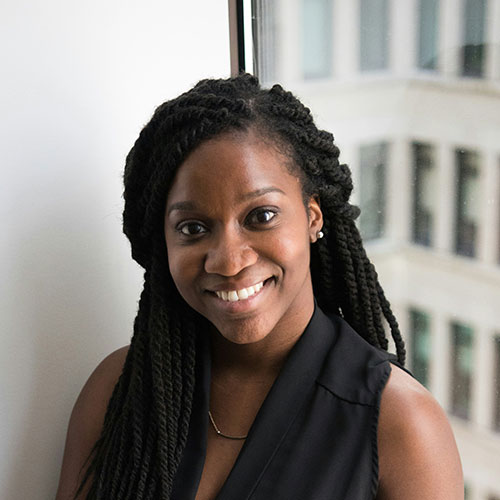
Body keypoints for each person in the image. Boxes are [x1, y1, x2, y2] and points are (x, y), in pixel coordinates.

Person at [56, 74, 463, 500]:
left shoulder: (401, 424)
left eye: (261, 216)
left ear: (313, 217)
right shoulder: (118, 389)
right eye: (193, 228)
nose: (229, 261)